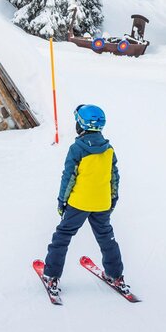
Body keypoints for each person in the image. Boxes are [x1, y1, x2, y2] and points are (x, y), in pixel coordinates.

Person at [40, 104, 127, 296]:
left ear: (81, 125)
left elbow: (68, 176)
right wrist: (112, 200)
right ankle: (116, 275)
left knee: (62, 237)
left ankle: (52, 276)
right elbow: (115, 177)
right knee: (106, 238)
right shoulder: (109, 149)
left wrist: (62, 201)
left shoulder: (77, 148)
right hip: (102, 203)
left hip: (78, 204)